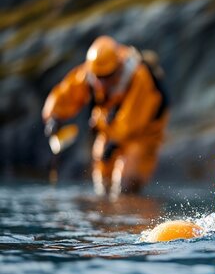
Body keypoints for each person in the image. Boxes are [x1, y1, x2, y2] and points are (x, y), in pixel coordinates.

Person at [42, 35, 168, 198]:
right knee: (102, 180)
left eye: (106, 77)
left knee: (125, 182)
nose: (100, 83)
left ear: (118, 68)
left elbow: (132, 123)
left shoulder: (139, 77)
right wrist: (54, 117)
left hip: (140, 134)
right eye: (98, 77)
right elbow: (68, 91)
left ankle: (133, 219)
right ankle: (104, 217)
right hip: (110, 128)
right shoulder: (92, 72)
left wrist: (114, 141)